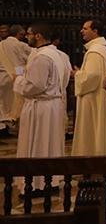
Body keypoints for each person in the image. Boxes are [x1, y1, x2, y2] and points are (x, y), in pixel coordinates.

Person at [13, 23, 67, 192]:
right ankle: (51, 180)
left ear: (38, 36)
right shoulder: (58, 54)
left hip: (41, 107)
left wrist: (18, 79)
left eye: (29, 34)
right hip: (53, 105)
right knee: (50, 144)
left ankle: (37, 184)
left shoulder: (43, 57)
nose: (26, 37)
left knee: (39, 144)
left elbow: (34, 86)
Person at [72, 19, 106, 156]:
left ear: (95, 31)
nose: (81, 31)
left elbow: (92, 77)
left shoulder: (95, 51)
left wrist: (77, 74)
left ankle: (89, 160)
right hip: (97, 96)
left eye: (85, 28)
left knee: (90, 130)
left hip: (92, 98)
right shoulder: (102, 49)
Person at [0, 24, 32, 128]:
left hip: (2, 77)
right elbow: (33, 58)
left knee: (3, 104)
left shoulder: (1, 44)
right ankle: (14, 124)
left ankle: (3, 127)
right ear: (20, 34)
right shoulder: (21, 45)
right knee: (16, 104)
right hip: (16, 76)